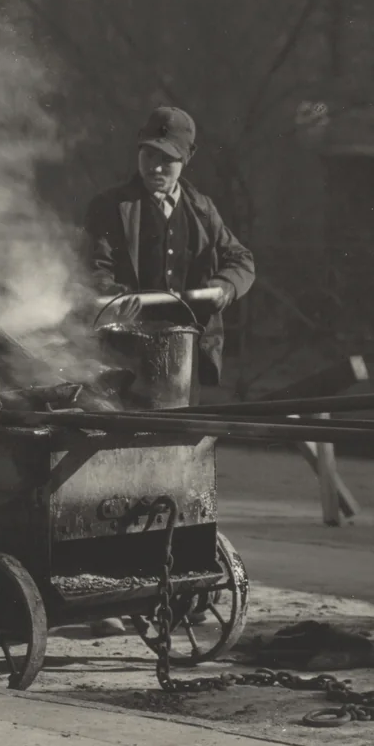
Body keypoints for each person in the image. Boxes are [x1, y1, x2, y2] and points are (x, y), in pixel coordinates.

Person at [82, 106, 256, 637]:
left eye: (168, 159)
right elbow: (95, 269)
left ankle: (175, 584)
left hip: (183, 366)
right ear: (138, 155)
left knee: (180, 473)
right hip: (125, 362)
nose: (157, 167)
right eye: (149, 156)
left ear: (186, 161)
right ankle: (104, 591)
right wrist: (117, 301)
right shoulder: (111, 207)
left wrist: (225, 287)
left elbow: (241, 259)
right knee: (117, 475)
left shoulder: (202, 210)